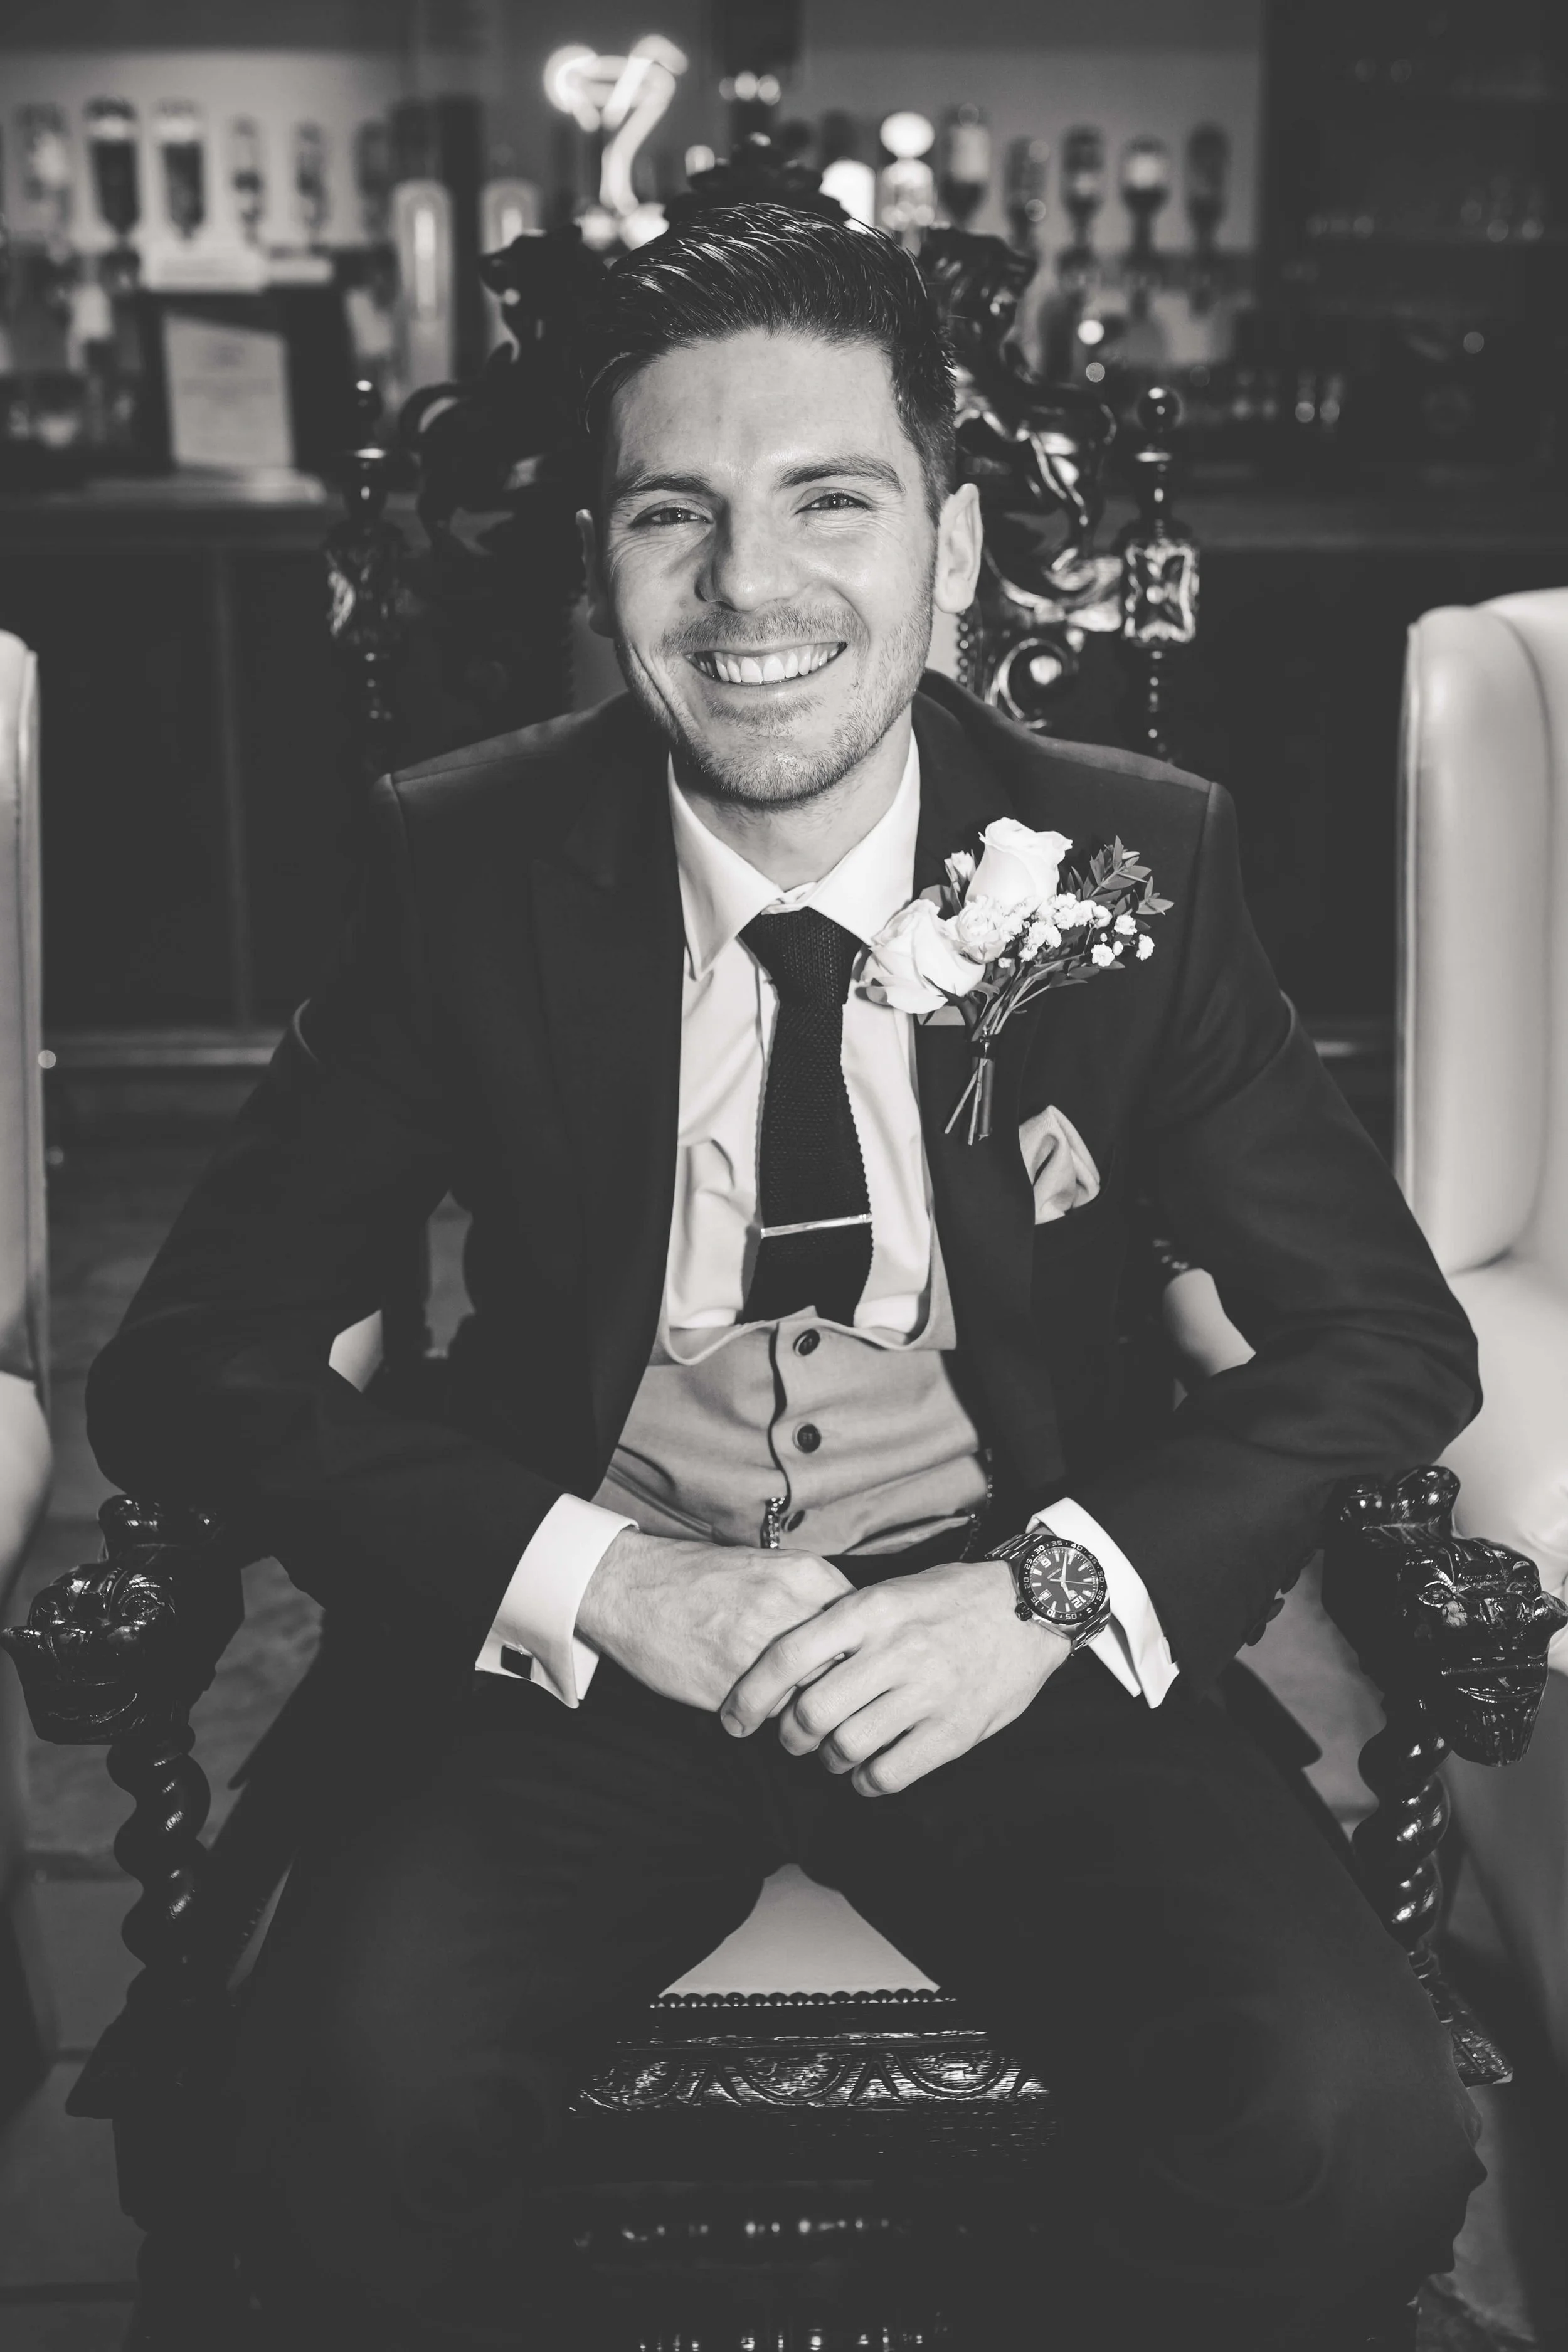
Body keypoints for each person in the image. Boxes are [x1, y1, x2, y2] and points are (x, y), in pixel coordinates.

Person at [87, 205, 1483, 2350]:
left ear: (951, 548)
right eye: (675, 513)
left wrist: (1039, 1595)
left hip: (989, 1607)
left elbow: (1386, 1335)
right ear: (601, 567)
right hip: (582, 1644)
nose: (748, 590)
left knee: (1348, 2130)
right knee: (318, 2115)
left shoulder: (1126, 864)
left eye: (830, 499)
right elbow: (193, 1366)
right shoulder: (458, 862)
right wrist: (594, 1576)